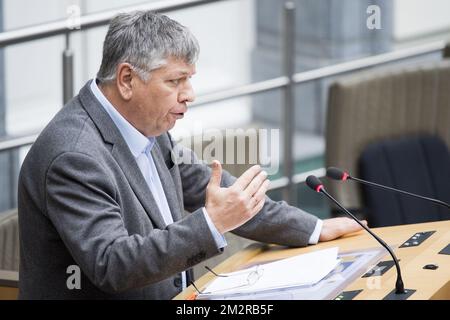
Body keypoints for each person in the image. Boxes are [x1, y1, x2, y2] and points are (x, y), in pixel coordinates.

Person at [18, 11, 365, 300]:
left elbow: (226, 198)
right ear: (126, 80)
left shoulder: (145, 126)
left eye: (190, 79)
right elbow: (113, 264)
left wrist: (314, 227)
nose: (190, 95)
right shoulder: (74, 156)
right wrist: (213, 223)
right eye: (176, 81)